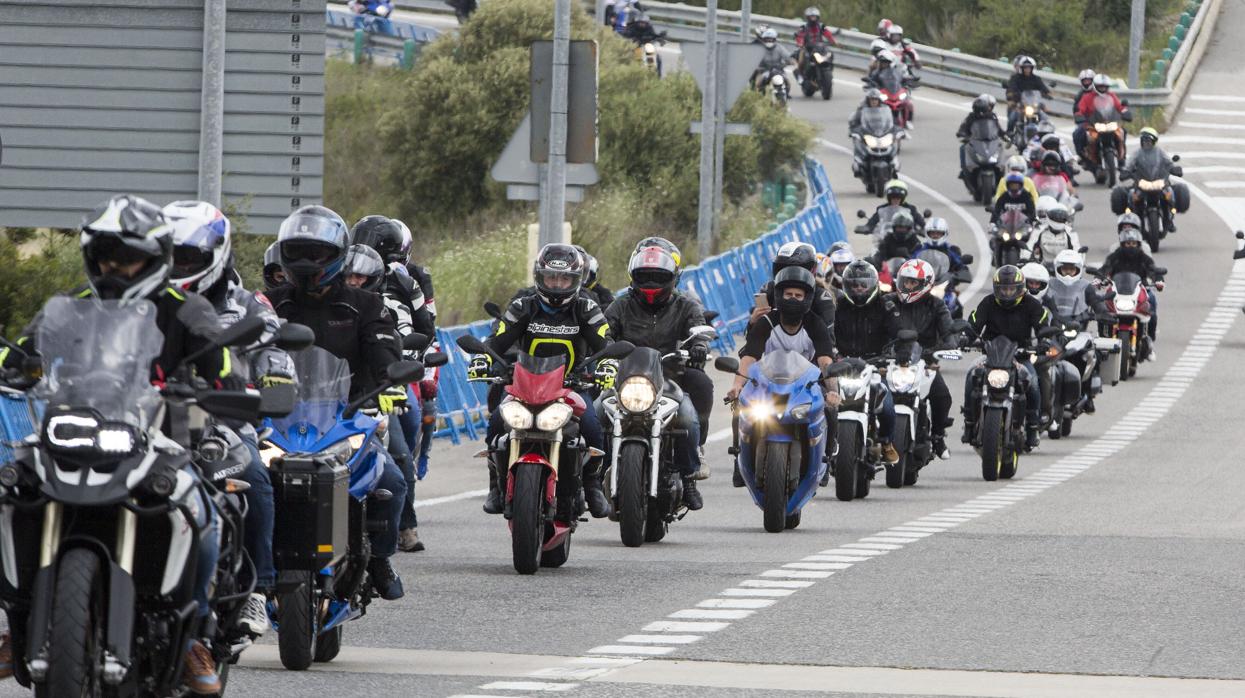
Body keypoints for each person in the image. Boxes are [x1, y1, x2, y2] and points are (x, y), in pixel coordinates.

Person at [0, 195, 238, 694]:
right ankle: (15, 619)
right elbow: (21, 351)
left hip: (162, 440)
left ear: (155, 260)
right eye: (106, 258)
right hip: (72, 433)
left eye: (127, 259)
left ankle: (196, 635)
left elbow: (220, 366)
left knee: (209, 515)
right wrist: (11, 364)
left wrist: (229, 385)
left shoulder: (186, 309)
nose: (115, 269)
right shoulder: (69, 309)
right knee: (12, 494)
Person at [164, 200, 296, 641]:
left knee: (254, 476)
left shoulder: (248, 305)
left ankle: (260, 587)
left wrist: (275, 381)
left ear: (216, 254)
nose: (176, 266)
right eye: (168, 255)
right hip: (147, 423)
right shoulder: (144, 302)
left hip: (220, 422)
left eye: (187, 258)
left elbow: (274, 351)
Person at [266, 205, 409, 601]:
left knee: (392, 483)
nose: (308, 263)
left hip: (346, 416)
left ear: (339, 254)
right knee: (241, 485)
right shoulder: (270, 304)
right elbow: (243, 348)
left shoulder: (364, 305)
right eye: (298, 253)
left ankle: (379, 558)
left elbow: (383, 347)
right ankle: (250, 571)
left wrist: (390, 381)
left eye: (318, 254)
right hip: (278, 417)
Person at [475, 244, 612, 518]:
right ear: (539, 277)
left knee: (593, 426)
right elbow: (497, 340)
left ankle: (593, 484)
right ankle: (496, 486)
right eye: (551, 277)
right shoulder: (522, 305)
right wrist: (483, 359)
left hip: (570, 387)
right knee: (495, 424)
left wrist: (608, 364)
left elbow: (606, 342)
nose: (557, 285)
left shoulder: (586, 307)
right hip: (524, 387)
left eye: (564, 279)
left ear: (576, 280)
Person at [350, 216, 437, 553]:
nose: (356, 279)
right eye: (351, 273)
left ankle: (403, 526)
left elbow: (427, 331)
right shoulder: (330, 293)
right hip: (334, 389)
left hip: (384, 383)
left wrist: (416, 291)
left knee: (404, 446)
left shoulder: (404, 288)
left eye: (364, 275)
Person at [603, 243, 709, 509]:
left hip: (670, 378)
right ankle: (592, 477)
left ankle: (689, 476)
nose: (651, 283)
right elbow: (603, 332)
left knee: (688, 413)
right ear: (632, 276)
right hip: (624, 380)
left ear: (674, 277)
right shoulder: (620, 305)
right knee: (594, 412)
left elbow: (699, 329)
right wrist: (602, 350)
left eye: (659, 277)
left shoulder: (686, 306)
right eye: (644, 276)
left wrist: (698, 348)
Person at [964, 265, 1052, 451]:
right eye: (1003, 288)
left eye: (1011, 288)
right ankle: (970, 422)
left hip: (1020, 356)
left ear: (1020, 288)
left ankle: (1032, 428)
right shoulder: (988, 302)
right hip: (990, 357)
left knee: (1033, 383)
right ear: (997, 288)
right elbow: (974, 323)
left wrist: (1044, 341)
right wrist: (966, 338)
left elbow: (1042, 324)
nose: (1007, 292)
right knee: (972, 374)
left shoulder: (1032, 304)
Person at [727, 266, 840, 406]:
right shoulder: (766, 322)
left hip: (807, 384)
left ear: (807, 299)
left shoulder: (816, 325)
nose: (793, 299)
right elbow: (750, 356)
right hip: (768, 384)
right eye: (788, 294)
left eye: (798, 296)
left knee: (829, 411)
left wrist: (833, 391)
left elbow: (825, 361)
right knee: (741, 409)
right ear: (780, 296)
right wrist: (737, 384)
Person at [832, 260, 902, 474]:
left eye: (863, 285)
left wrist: (897, 353)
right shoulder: (838, 306)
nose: (859, 289)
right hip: (841, 366)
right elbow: (825, 332)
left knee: (888, 406)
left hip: (874, 366)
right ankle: (820, 445)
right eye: (854, 285)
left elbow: (898, 334)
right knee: (821, 403)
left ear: (872, 285)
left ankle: (887, 442)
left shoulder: (885, 305)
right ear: (847, 286)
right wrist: (830, 353)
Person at [892, 259, 957, 458]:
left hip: (923, 361)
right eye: (906, 282)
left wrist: (945, 347)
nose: (909, 286)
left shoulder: (936, 305)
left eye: (914, 283)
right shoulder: (888, 302)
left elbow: (949, 334)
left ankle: (937, 436)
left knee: (942, 395)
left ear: (926, 284)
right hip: (891, 361)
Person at [1045, 249, 1111, 413]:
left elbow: (1096, 302)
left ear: (1078, 270)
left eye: (1071, 269)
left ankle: (1088, 393)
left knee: (1092, 352)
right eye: (1064, 269)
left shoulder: (1086, 287)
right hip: (1054, 329)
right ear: (1058, 268)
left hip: (1079, 330)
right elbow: (1041, 302)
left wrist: (1102, 313)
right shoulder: (1049, 285)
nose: (1068, 273)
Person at [1100, 222, 1164, 350]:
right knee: (1101, 308)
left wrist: (1158, 280)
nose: (1131, 246)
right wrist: (1099, 278)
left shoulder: (1144, 258)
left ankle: (1149, 340)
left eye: (1134, 243)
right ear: (1123, 244)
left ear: (1138, 244)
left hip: (1140, 290)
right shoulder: (1115, 257)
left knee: (1152, 301)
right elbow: (1105, 269)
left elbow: (1153, 270)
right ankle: (1102, 339)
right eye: (1128, 244)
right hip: (1116, 291)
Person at [1122, 127, 1181, 233]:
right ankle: (1133, 221)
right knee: (1132, 197)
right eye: (1144, 140)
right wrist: (1126, 171)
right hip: (1142, 182)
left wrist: (1174, 168)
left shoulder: (1160, 152)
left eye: (1149, 141)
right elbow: (1129, 164)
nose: (1146, 143)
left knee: (1169, 195)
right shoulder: (1137, 153)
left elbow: (1168, 162)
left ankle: (1170, 220)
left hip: (1159, 181)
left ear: (1153, 142)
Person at [1076, 74, 1130, 170]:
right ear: (1095, 86)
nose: (1103, 88)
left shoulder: (1112, 96)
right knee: (1079, 134)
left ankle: (1122, 159)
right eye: (1100, 86)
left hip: (1109, 123)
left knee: (1122, 132)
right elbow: (1081, 109)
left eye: (1105, 86)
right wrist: (1079, 115)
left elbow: (1119, 107)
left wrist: (1125, 112)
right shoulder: (1087, 97)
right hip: (1092, 124)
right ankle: (1084, 157)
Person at [1004, 56, 1052, 137]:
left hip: (1033, 104)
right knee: (1012, 117)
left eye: (1029, 68)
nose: (1027, 69)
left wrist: (1047, 94)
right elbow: (1011, 89)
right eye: (1025, 68)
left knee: (1045, 118)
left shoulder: (1036, 79)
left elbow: (1043, 88)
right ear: (1021, 68)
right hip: (1019, 104)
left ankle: (1047, 134)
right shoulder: (1015, 78)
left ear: (1032, 68)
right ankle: (1009, 133)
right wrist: (1013, 95)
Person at [957, 94, 1002, 177]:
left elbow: (998, 128)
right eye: (978, 110)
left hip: (990, 140)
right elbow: (963, 127)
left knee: (999, 146)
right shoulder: (971, 117)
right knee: (962, 148)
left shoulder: (992, 117)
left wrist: (1004, 134)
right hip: (974, 141)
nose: (981, 113)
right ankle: (964, 169)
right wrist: (962, 134)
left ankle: (1000, 170)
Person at [794, 6, 837, 76]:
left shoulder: (821, 26)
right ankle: (800, 73)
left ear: (817, 17)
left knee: (830, 54)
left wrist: (834, 41)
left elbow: (828, 34)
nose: (813, 19)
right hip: (807, 48)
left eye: (814, 17)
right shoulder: (804, 27)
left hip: (820, 47)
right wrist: (800, 43)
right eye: (811, 17)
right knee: (802, 56)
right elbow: (800, 36)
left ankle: (829, 69)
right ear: (808, 17)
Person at [1072, 68, 1097, 160]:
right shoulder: (1080, 95)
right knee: (1077, 133)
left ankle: (1120, 157)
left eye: (1089, 80)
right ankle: (1081, 153)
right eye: (1084, 81)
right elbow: (1075, 109)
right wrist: (1078, 117)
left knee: (1119, 131)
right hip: (1086, 120)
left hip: (1100, 119)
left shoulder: (1099, 92)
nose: (1087, 83)